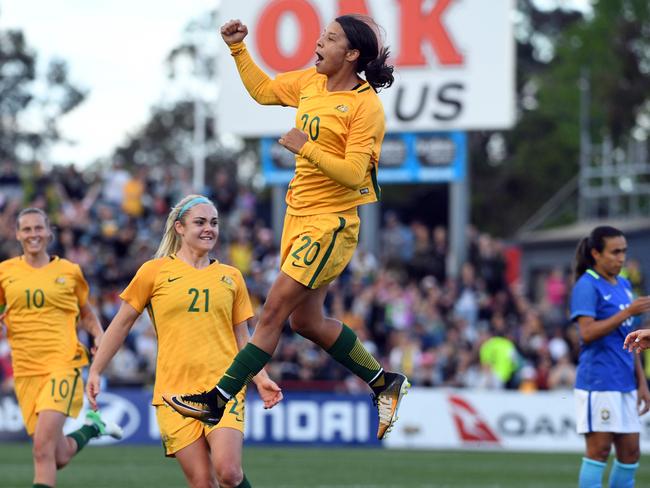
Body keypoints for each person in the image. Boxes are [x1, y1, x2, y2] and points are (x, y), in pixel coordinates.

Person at [165, 15, 409, 440]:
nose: (318, 41)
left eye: (330, 38)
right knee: (306, 322)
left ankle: (217, 398)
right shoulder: (311, 83)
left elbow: (354, 174)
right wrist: (238, 49)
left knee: (274, 309)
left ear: (351, 54)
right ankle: (383, 382)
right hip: (298, 216)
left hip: (330, 224)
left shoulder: (365, 107)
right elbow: (263, 92)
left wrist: (305, 146)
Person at [86, 195, 283, 488]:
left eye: (214, 223)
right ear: (179, 227)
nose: (209, 229)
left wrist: (261, 378)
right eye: (200, 222)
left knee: (228, 471)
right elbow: (121, 324)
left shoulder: (231, 277)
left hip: (223, 388)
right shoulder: (154, 272)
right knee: (203, 483)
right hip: (173, 394)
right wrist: (96, 369)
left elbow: (243, 337)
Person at [0, 207, 122, 488]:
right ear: (17, 234)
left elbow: (87, 313)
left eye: (39, 228)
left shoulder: (69, 272)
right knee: (57, 455)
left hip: (62, 364)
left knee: (41, 450)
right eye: (27, 229)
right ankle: (92, 428)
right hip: (25, 371)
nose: (33, 234)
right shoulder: (5, 273)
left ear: (49, 233)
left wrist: (99, 335)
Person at [570, 226, 650, 488]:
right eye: (615, 252)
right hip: (599, 382)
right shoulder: (587, 284)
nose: (621, 258)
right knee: (599, 451)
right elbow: (587, 332)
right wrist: (627, 312)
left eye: (624, 251)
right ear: (596, 253)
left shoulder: (624, 285)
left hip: (626, 382)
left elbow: (632, 338)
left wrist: (641, 383)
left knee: (630, 454)